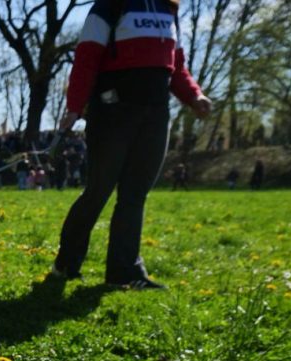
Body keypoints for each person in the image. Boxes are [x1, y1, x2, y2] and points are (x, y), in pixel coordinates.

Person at [50, 0, 212, 290]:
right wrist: (74, 107)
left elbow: (176, 68)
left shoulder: (169, 11)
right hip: (113, 111)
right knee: (99, 190)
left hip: (155, 114)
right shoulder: (108, 7)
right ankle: (66, 262)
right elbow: (86, 58)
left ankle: (124, 272)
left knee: (135, 195)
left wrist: (194, 96)